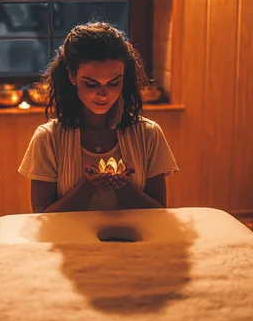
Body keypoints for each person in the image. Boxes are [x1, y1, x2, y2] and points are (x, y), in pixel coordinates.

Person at [18, 22, 179, 213]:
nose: (103, 94)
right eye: (91, 84)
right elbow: (42, 217)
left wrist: (125, 187)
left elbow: (160, 212)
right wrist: (87, 187)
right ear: (72, 77)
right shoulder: (48, 138)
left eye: (113, 83)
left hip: (134, 241)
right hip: (69, 242)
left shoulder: (148, 134)